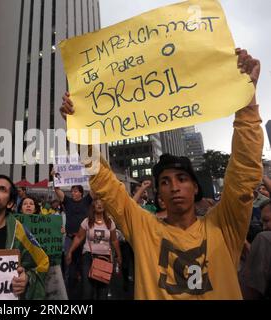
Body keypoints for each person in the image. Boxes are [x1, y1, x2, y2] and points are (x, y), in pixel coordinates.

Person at [60, 48, 262, 299]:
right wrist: (81, 133)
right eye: (165, 182)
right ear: (159, 193)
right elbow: (104, 184)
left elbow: (244, 173)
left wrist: (248, 103)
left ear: (196, 188)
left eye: (182, 179)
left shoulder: (224, 226)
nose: (174, 187)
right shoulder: (144, 228)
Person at [65, 199, 122, 300]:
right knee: (87, 291)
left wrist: (119, 255)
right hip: (88, 257)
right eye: (97, 203)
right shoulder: (87, 221)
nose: (99, 205)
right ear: (93, 206)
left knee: (102, 292)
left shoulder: (110, 222)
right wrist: (70, 251)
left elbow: (114, 240)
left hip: (105, 258)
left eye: (101, 203)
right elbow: (78, 237)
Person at [18, 195, 67, 300]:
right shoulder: (15, 222)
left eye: (31, 204)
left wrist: (59, 232)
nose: (28, 206)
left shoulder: (46, 223)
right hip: (22, 266)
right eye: (25, 204)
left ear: (35, 208)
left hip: (42, 267)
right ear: (20, 208)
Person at [53, 179, 93, 299]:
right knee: (68, 268)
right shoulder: (68, 201)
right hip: (70, 239)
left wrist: (95, 175)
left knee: (84, 267)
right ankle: (67, 294)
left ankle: (84, 293)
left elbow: (95, 190)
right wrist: (55, 177)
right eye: (72, 191)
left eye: (76, 191)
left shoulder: (87, 200)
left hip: (84, 240)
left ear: (81, 192)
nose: (73, 193)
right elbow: (57, 190)